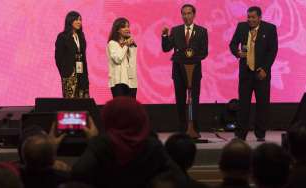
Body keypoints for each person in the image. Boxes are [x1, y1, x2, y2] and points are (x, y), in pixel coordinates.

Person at [71, 97, 186, 188]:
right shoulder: (152, 145)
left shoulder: (102, 144)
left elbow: (78, 173)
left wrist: (94, 142)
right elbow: (179, 178)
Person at [229, 6, 278, 141]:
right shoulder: (241, 27)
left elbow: (272, 51)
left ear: (260, 18)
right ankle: (241, 134)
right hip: (245, 73)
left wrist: (265, 69)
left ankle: (260, 134)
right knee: (243, 105)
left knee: (262, 104)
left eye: (253, 17)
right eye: (248, 17)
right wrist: (237, 52)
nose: (250, 20)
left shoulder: (270, 29)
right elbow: (232, 44)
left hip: (261, 73)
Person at [161, 4, 208, 137]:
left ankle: (195, 129)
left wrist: (191, 57)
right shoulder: (175, 31)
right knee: (180, 99)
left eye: (189, 13)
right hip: (178, 70)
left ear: (194, 15)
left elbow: (204, 52)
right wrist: (164, 36)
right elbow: (166, 48)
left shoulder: (202, 31)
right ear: (181, 15)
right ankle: (182, 129)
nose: (186, 16)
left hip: (194, 70)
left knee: (194, 99)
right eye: (184, 14)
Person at [55, 11, 89, 98]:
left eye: (80, 20)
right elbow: (58, 57)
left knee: (83, 101)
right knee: (70, 102)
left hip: (82, 73)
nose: (79, 22)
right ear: (70, 21)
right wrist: (65, 72)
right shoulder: (62, 36)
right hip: (69, 74)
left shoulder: (81, 36)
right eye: (76, 20)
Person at [107, 18, 138, 98]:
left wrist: (130, 45)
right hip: (119, 81)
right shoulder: (112, 43)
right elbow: (118, 59)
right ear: (117, 30)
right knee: (120, 107)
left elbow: (132, 62)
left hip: (131, 81)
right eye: (124, 27)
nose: (127, 29)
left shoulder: (131, 44)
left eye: (128, 26)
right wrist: (126, 45)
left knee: (131, 108)